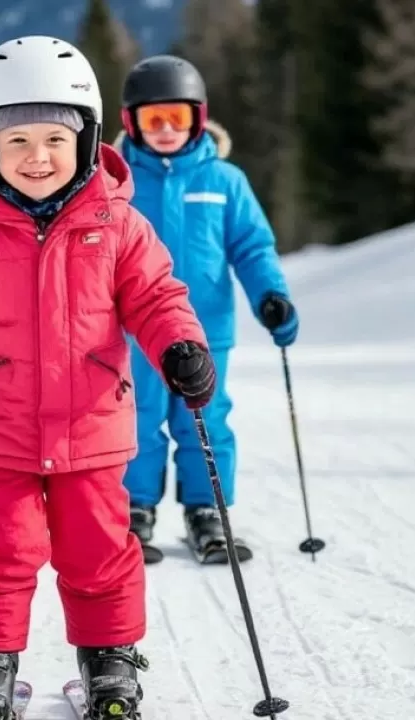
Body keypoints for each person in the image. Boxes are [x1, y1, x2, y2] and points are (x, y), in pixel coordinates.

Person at [0, 35, 215, 720]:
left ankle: (110, 663)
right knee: (0, 551)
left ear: (87, 141)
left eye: (56, 140)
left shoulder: (119, 226)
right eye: (17, 140)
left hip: (92, 427)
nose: (37, 157)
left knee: (100, 550)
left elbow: (156, 297)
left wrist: (180, 346)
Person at [112, 55, 298, 564]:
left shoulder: (225, 181)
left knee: (206, 420)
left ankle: (206, 512)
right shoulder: (113, 182)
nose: (167, 129)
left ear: (199, 117)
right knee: (136, 418)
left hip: (206, 327)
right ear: (131, 122)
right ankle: (134, 510)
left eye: (178, 117)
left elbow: (253, 247)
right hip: (134, 330)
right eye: (154, 119)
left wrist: (270, 297)